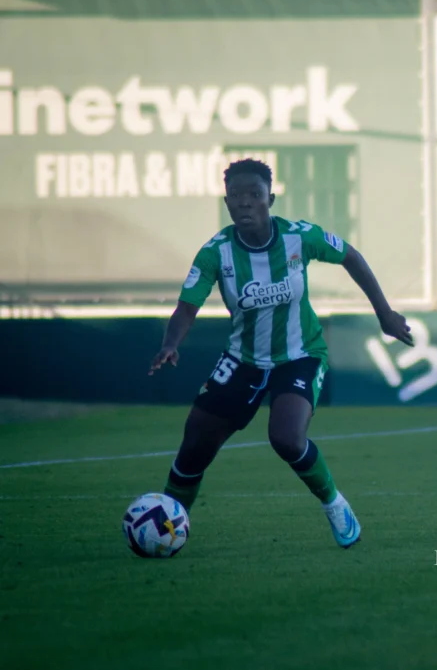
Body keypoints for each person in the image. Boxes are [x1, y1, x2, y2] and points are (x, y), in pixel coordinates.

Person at [148, 158, 413, 549]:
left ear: (270, 198)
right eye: (236, 196)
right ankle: (165, 529)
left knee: (287, 439)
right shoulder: (215, 253)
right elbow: (188, 306)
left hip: (300, 354)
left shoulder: (299, 237)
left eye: (254, 194)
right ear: (227, 203)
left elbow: (351, 257)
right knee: (194, 448)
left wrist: (385, 314)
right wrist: (171, 344)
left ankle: (334, 503)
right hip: (242, 360)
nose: (245, 203)